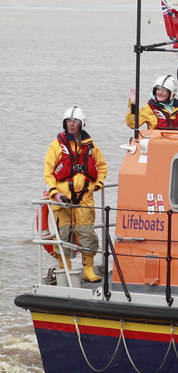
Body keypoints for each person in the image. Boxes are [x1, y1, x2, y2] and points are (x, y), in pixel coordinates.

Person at [43, 106, 108, 283]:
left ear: (81, 124)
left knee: (87, 233)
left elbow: (101, 166)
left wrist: (98, 184)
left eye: (75, 122)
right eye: (69, 122)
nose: (72, 125)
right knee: (64, 233)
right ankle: (65, 268)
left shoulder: (90, 146)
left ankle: (88, 268)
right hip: (62, 199)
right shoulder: (56, 146)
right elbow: (48, 172)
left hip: (85, 198)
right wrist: (54, 192)